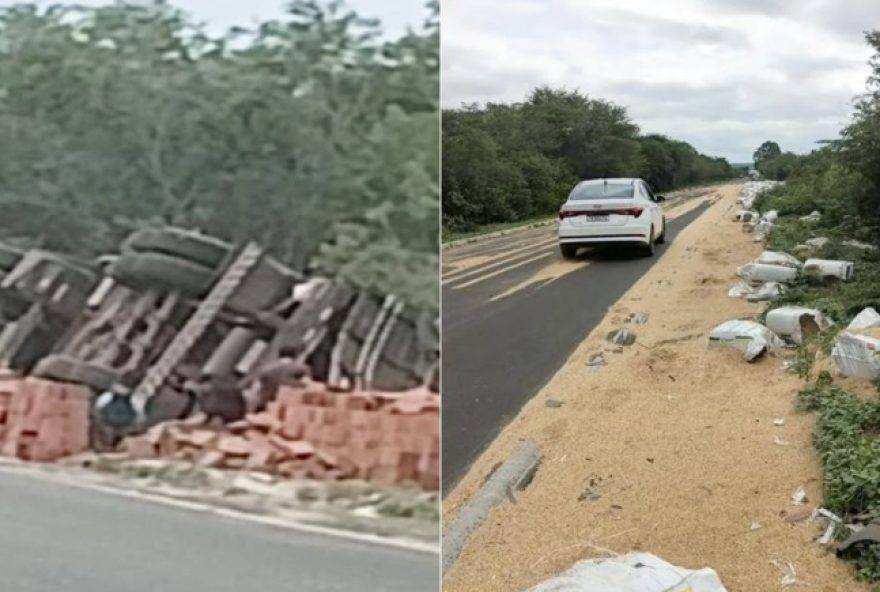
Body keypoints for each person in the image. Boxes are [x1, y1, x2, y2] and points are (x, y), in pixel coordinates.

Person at [247, 345, 311, 412]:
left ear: (279, 355)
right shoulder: (303, 369)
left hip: (265, 405)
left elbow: (255, 389)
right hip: (288, 409)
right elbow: (308, 386)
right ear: (295, 356)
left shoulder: (266, 369)